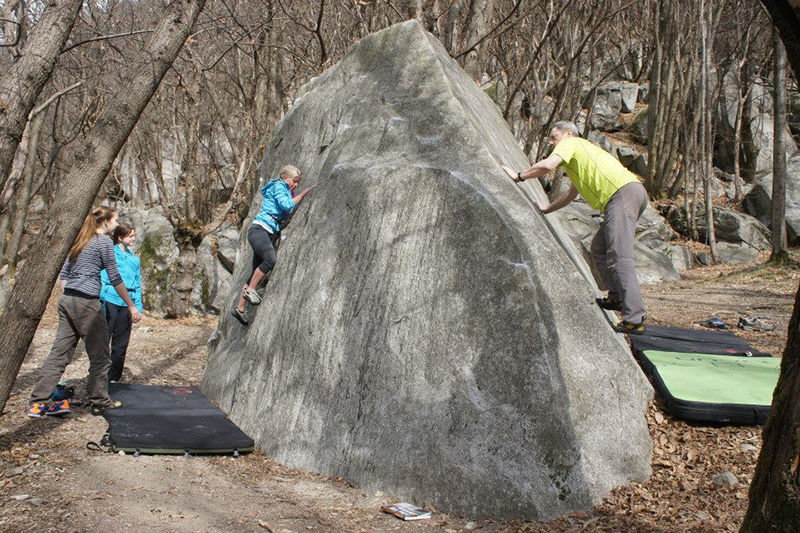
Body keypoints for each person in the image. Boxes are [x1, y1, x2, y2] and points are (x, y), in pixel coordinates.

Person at [502, 120, 649, 333]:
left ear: (567, 133)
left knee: (620, 256)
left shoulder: (571, 144)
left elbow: (547, 165)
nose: (551, 143)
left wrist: (519, 176)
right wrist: (546, 209)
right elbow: (570, 195)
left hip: (622, 194)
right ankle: (617, 297)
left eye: (554, 138)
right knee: (599, 248)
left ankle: (634, 319)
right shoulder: (579, 159)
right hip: (626, 194)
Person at [28, 207, 142, 418]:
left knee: (59, 354)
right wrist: (131, 305)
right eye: (115, 220)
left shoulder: (80, 239)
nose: (117, 224)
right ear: (106, 222)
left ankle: (38, 402)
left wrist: (71, 294)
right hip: (87, 302)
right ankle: (99, 400)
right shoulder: (104, 242)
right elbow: (115, 277)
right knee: (101, 356)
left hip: (67, 299)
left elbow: (64, 274)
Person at [230, 165, 312, 326]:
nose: (295, 185)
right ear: (285, 178)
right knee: (270, 259)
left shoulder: (284, 188)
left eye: (298, 183)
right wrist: (302, 195)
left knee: (256, 271)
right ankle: (251, 291)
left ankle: (240, 309)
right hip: (260, 230)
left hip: (264, 232)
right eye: (294, 181)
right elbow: (287, 206)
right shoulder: (279, 186)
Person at [100, 222, 144, 382]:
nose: (133, 238)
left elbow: (138, 284)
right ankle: (99, 377)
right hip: (110, 300)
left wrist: (138, 307)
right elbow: (103, 277)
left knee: (120, 345)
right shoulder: (110, 254)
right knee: (103, 341)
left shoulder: (134, 259)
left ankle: (114, 379)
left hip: (127, 305)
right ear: (120, 237)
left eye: (133, 235)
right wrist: (101, 298)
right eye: (130, 236)